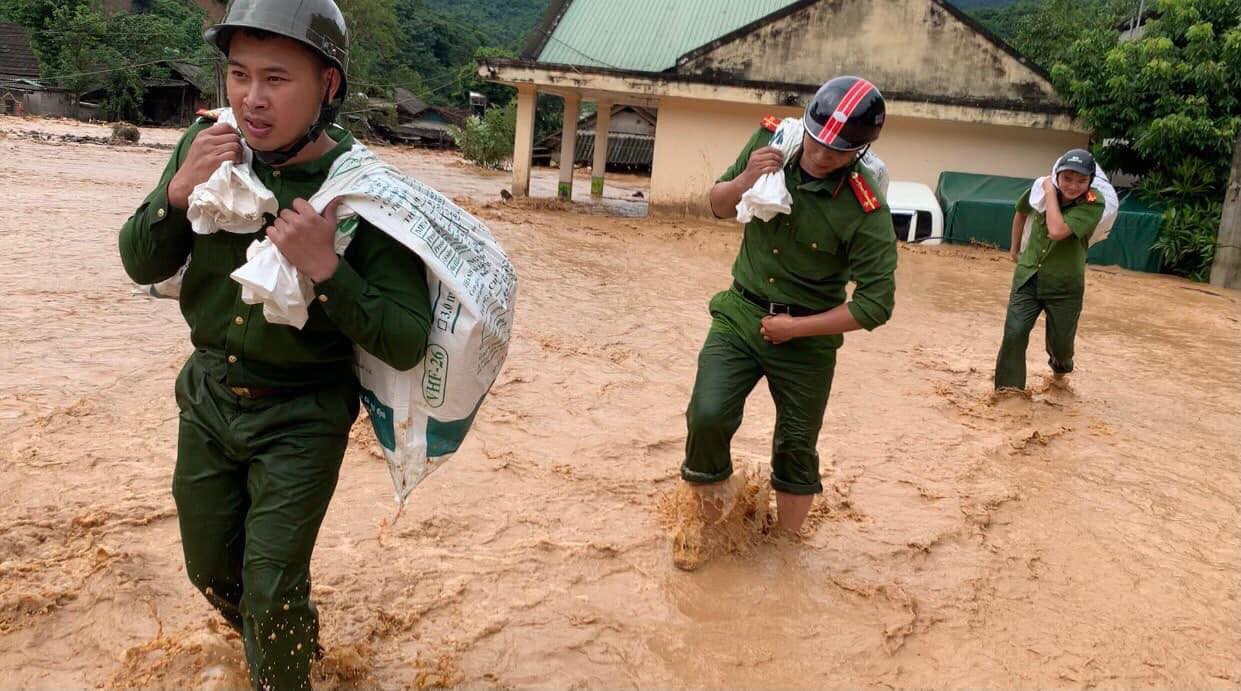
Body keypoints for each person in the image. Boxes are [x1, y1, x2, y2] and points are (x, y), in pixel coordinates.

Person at [118, 1, 432, 687]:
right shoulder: (207, 149)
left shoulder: (365, 195)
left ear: (328, 86)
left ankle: (280, 646)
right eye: (238, 75)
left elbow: (406, 340)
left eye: (276, 79)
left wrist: (327, 268)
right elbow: (140, 264)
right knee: (210, 570)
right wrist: (175, 192)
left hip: (302, 415)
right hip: (205, 398)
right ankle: (299, 646)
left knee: (269, 592)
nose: (251, 99)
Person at [675, 75, 898, 570]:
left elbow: (875, 305)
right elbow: (716, 205)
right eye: (817, 141)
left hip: (808, 337)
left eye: (837, 152)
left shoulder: (867, 208)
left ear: (861, 149)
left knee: (797, 446)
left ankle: (784, 554)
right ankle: (711, 532)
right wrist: (744, 179)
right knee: (707, 416)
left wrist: (795, 329)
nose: (820, 155)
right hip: (740, 312)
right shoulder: (771, 144)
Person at [994, 149, 1105, 392]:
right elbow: (1022, 210)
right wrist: (1014, 248)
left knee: (1061, 346)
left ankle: (1060, 373)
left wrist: (1049, 193)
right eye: (1067, 178)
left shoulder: (1094, 203)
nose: (1073, 185)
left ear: (1090, 182)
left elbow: (1057, 230)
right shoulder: (1039, 189)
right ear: (1057, 175)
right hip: (1028, 277)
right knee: (1014, 334)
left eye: (1081, 180)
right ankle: (1008, 393)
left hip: (1065, 286)